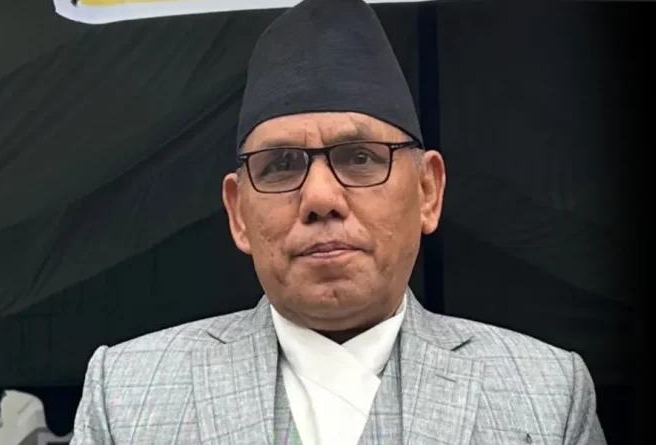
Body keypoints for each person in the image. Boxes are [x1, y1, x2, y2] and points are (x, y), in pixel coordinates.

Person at [69, 0, 607, 444]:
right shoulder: (127, 393)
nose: (320, 198)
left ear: (427, 191)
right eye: (280, 165)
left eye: (361, 157)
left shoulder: (546, 394)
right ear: (237, 212)